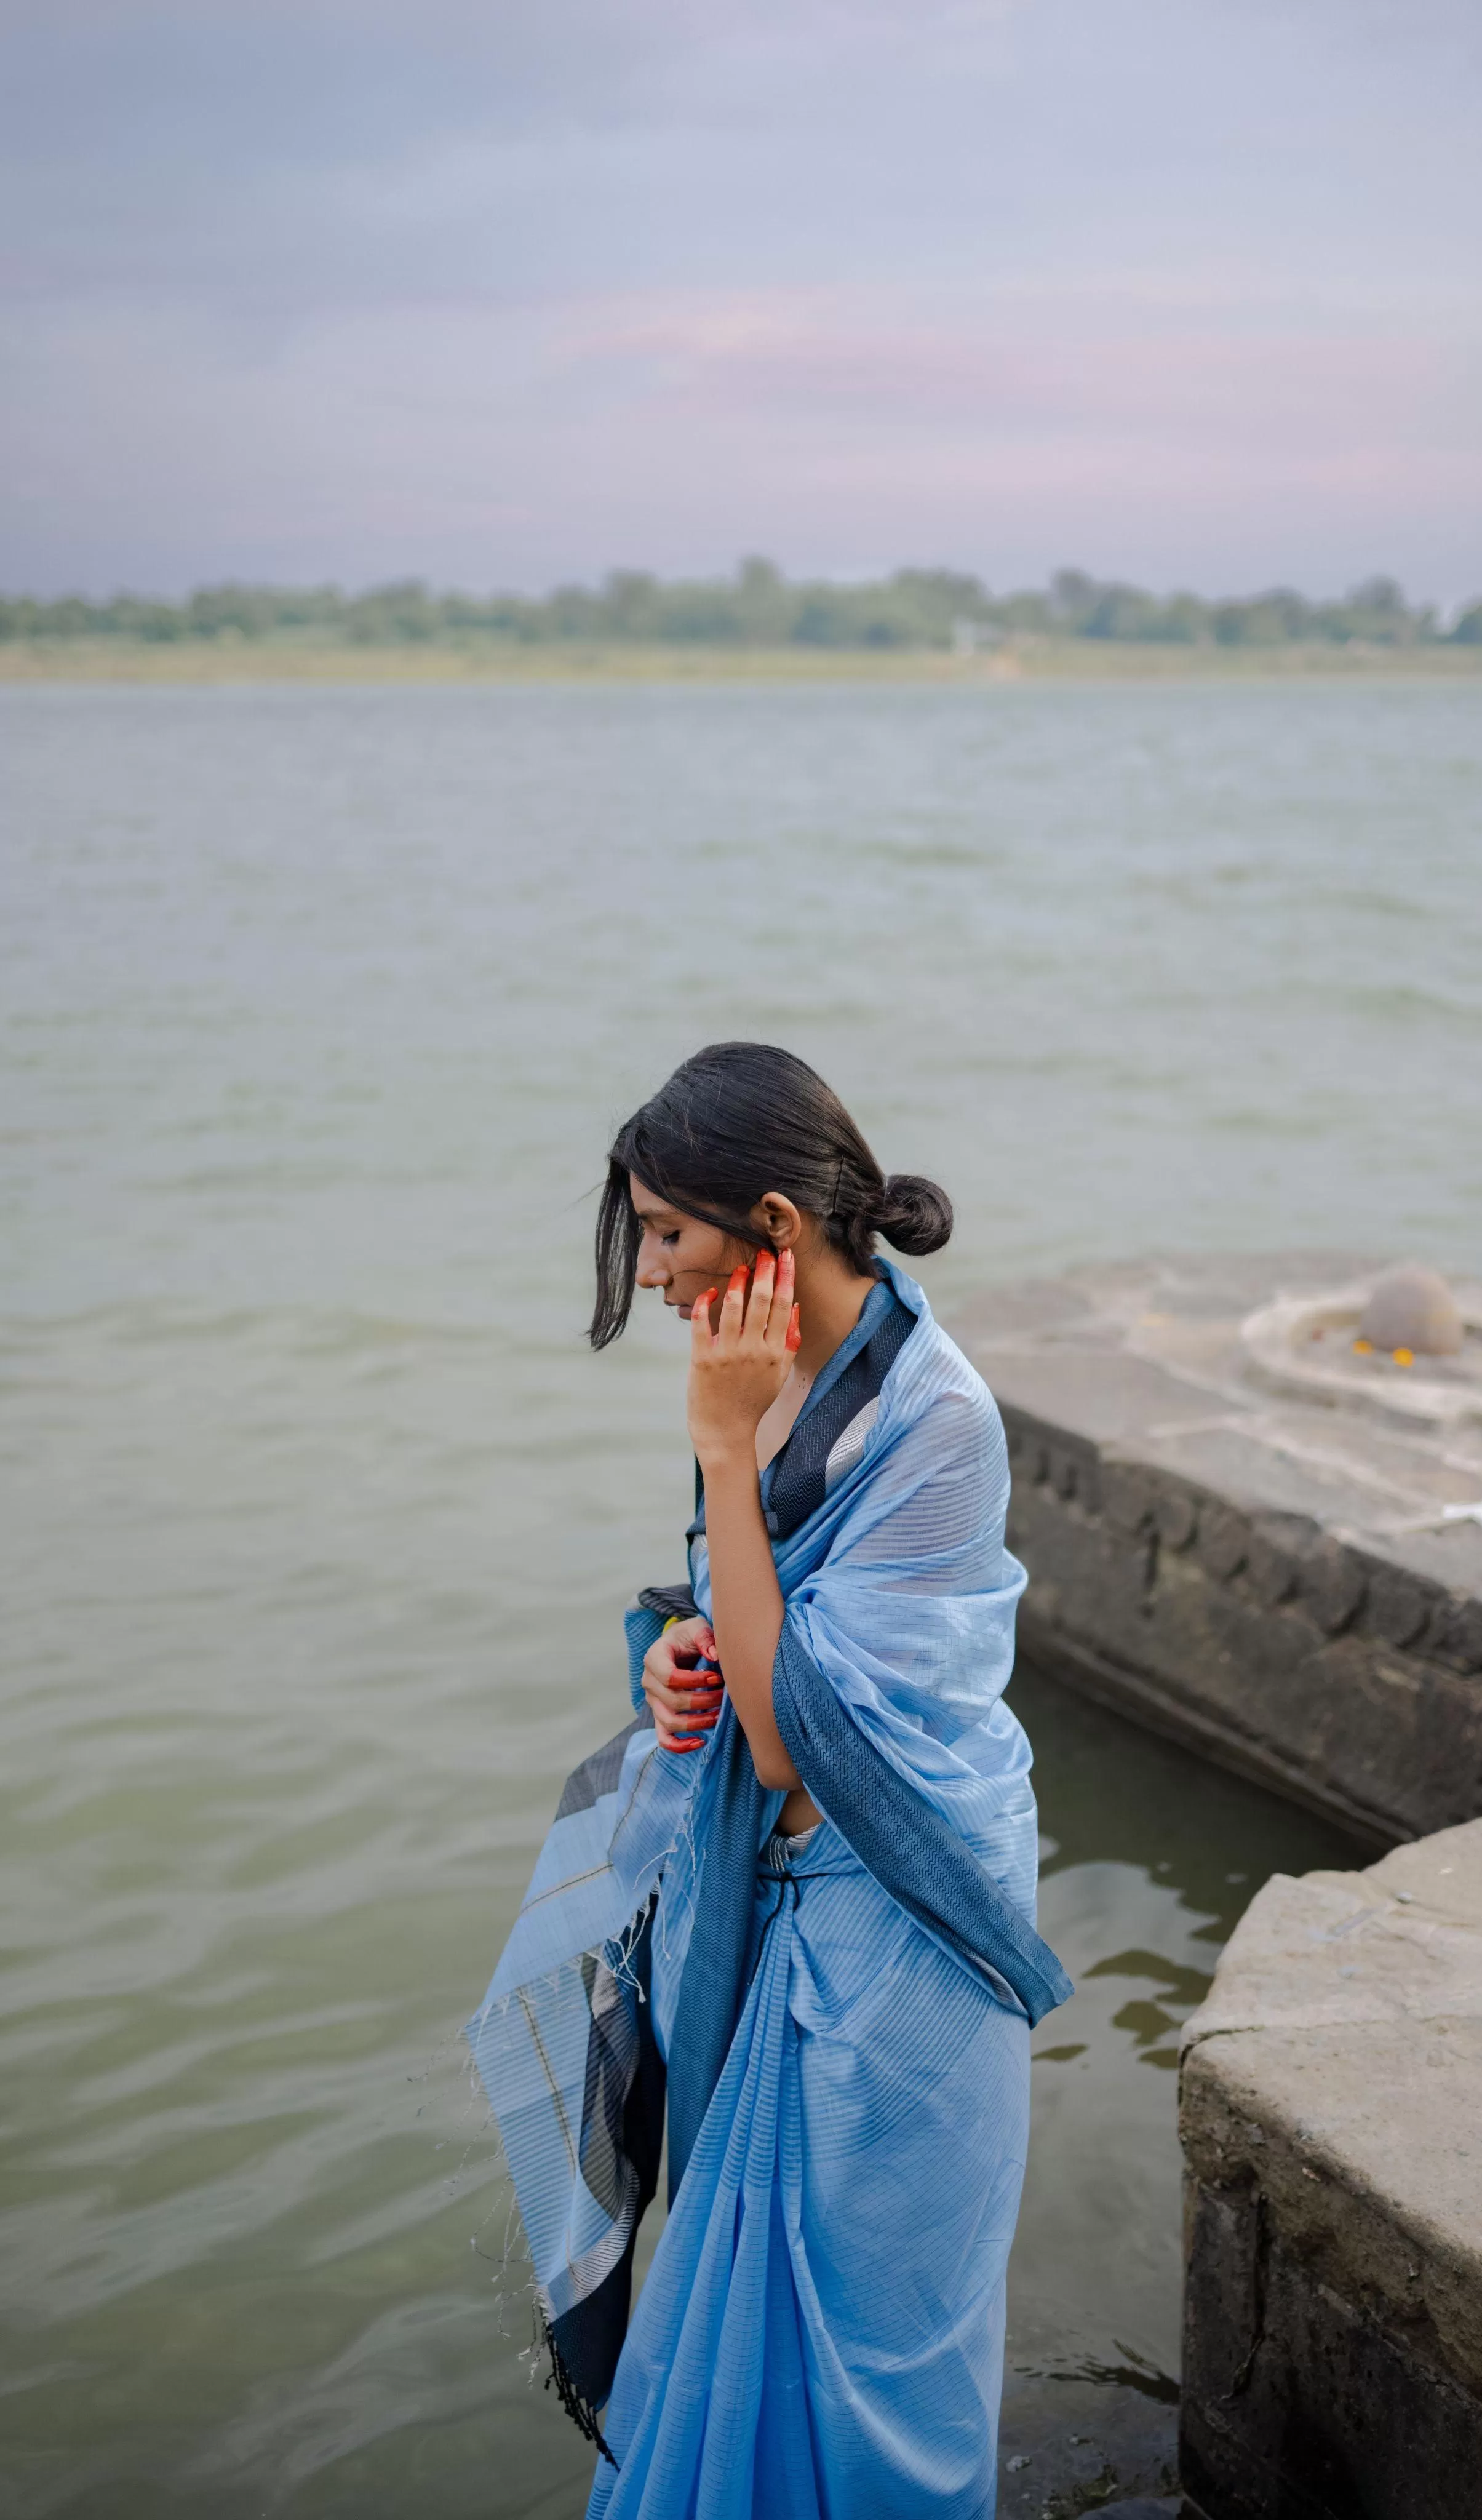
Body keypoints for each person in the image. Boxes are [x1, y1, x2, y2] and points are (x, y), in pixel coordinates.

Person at [469, 1042, 1069, 2520]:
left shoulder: (938, 1421)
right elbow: (740, 1630)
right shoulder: (771, 1367)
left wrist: (722, 1457)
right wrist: (676, 1661)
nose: (658, 1270)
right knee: (730, 2322)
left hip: (899, 1927)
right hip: (779, 1890)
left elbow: (803, 1731)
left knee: (875, 2350)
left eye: (670, 1230)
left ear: (774, 1229)